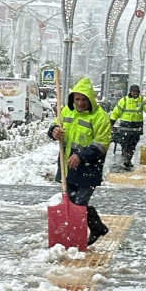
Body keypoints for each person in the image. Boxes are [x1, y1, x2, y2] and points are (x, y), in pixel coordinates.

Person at [50, 78, 112, 246]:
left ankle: (90, 230)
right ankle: (92, 228)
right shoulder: (66, 112)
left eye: (84, 99)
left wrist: (81, 155)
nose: (80, 103)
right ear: (72, 99)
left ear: (90, 99)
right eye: (77, 99)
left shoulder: (100, 118)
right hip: (67, 167)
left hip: (88, 170)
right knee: (70, 203)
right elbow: (55, 126)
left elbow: (102, 143)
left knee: (80, 203)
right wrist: (53, 131)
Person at [109, 83, 146, 170]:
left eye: (137, 91)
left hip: (137, 127)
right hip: (125, 127)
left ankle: (128, 159)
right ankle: (126, 158)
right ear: (130, 92)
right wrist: (111, 122)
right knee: (125, 143)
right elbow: (116, 112)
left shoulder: (142, 100)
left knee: (133, 144)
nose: (135, 93)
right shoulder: (124, 100)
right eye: (134, 91)